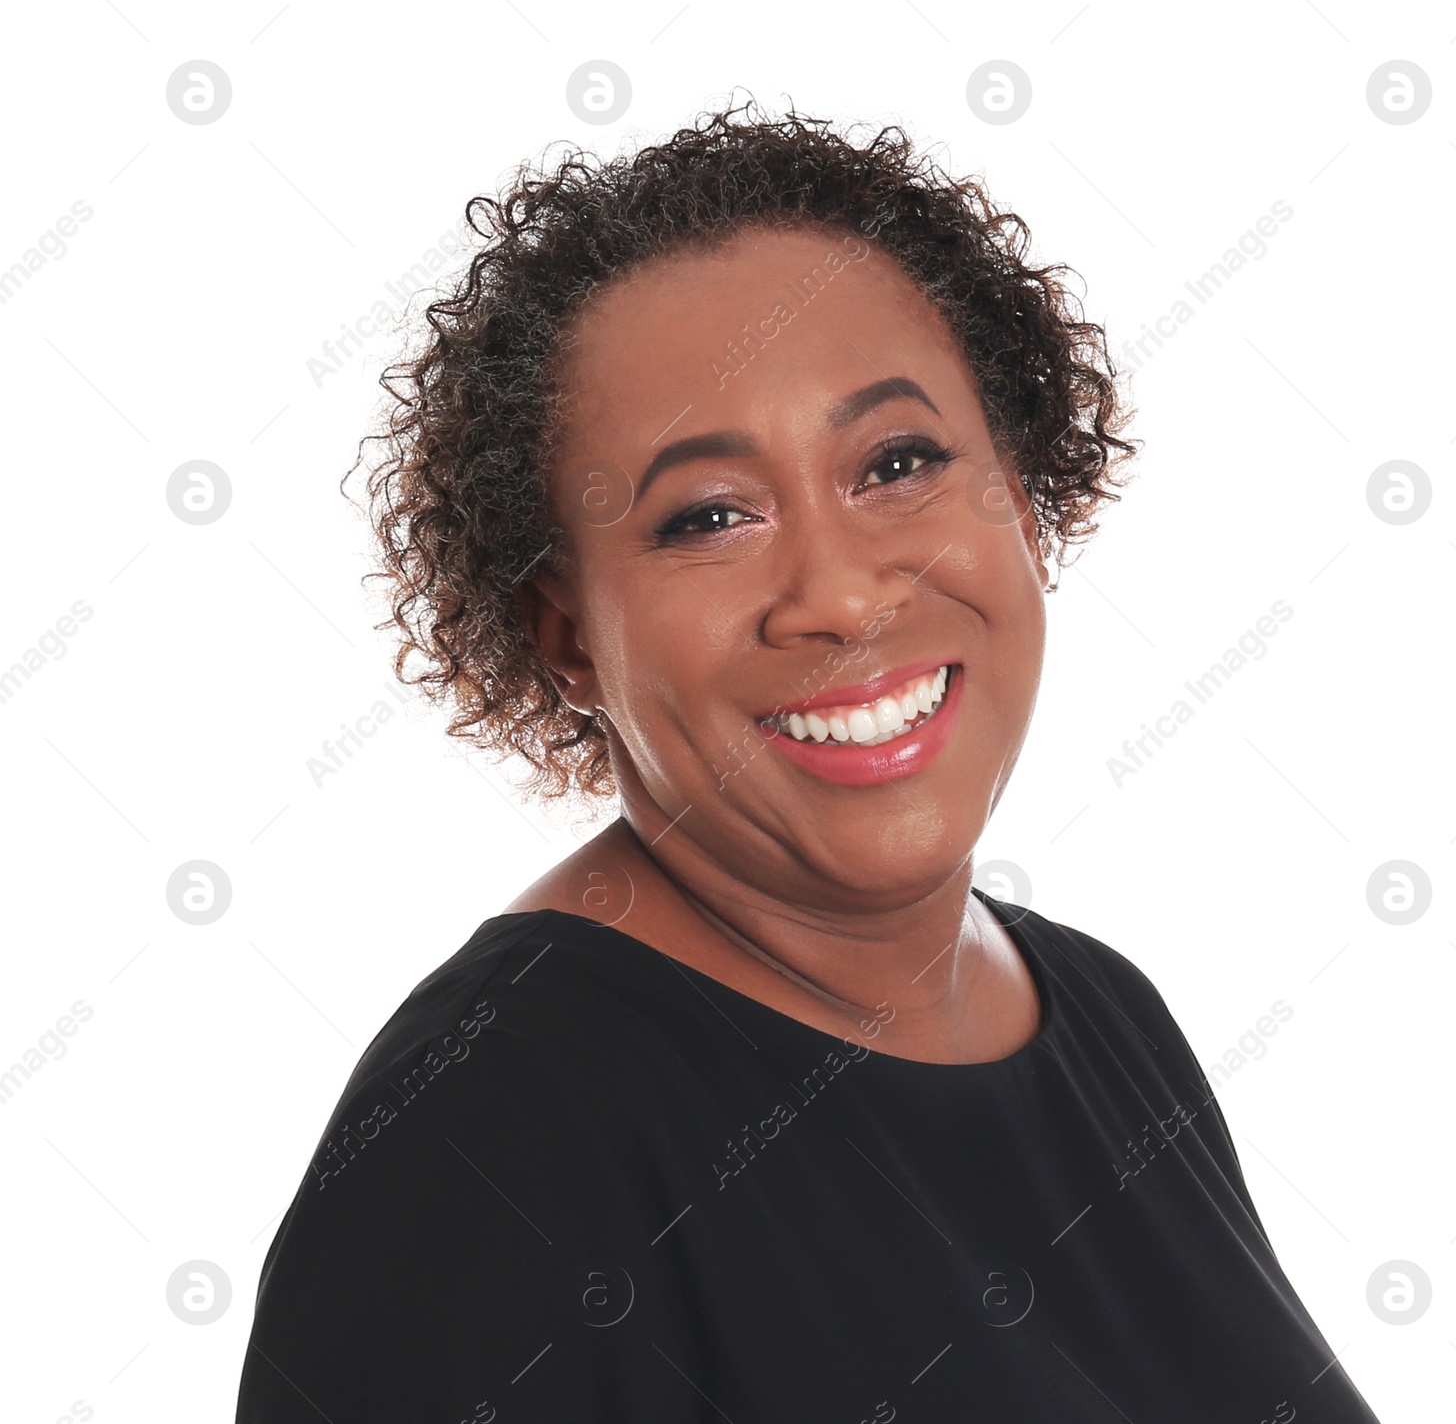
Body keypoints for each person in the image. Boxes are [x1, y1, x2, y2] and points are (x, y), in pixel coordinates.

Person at [235, 102, 1380, 1422]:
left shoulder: (1105, 1016)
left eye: (896, 462)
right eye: (708, 516)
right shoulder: (496, 1142)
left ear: (1018, 485)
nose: (838, 593)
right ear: (566, 641)